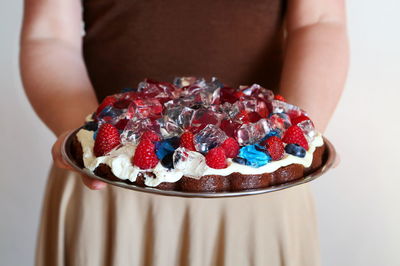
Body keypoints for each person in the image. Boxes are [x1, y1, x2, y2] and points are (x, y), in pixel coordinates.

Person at [20, 0, 348, 265]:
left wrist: (296, 138)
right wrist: (90, 140)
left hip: (261, 184)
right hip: (105, 183)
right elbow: (49, 34)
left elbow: (319, 21)